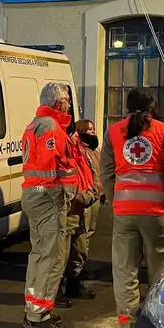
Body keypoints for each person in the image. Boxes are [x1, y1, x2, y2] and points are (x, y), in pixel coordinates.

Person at [101, 89, 164, 328]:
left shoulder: (113, 131)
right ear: (153, 107)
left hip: (125, 212)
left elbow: (105, 171)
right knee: (160, 271)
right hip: (157, 212)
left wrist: (113, 198)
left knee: (124, 269)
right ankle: (158, 326)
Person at [20, 82, 78, 328]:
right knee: (49, 257)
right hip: (47, 197)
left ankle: (36, 308)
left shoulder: (35, 123)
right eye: (66, 100)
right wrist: (68, 190)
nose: (68, 104)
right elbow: (53, 164)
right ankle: (37, 315)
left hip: (34, 195)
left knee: (39, 255)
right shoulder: (51, 127)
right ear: (57, 103)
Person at [56, 126, 98, 302]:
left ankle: (74, 285)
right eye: (73, 133)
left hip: (81, 204)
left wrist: (92, 193)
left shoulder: (81, 152)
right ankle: (55, 291)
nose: (76, 136)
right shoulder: (62, 153)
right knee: (61, 253)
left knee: (79, 249)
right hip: (69, 206)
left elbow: (90, 174)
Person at [63, 119, 103, 293]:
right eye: (87, 130)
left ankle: (77, 275)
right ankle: (72, 279)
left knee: (86, 235)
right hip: (82, 200)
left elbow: (96, 173)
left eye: (93, 129)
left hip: (92, 196)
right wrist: (86, 196)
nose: (91, 132)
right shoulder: (77, 152)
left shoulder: (94, 151)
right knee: (79, 241)